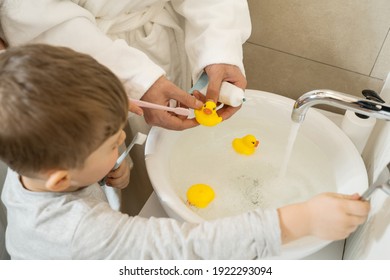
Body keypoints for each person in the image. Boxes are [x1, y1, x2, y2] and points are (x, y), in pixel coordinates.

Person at [0, 44, 370, 259]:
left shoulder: (28, 175)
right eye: (113, 142)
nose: (120, 142)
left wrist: (108, 167)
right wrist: (299, 220)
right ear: (62, 176)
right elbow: (186, 248)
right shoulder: (79, 233)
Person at [0, 0, 251, 131]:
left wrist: (219, 48)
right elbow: (35, 15)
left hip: (161, 33)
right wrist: (135, 80)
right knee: (116, 163)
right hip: (87, 52)